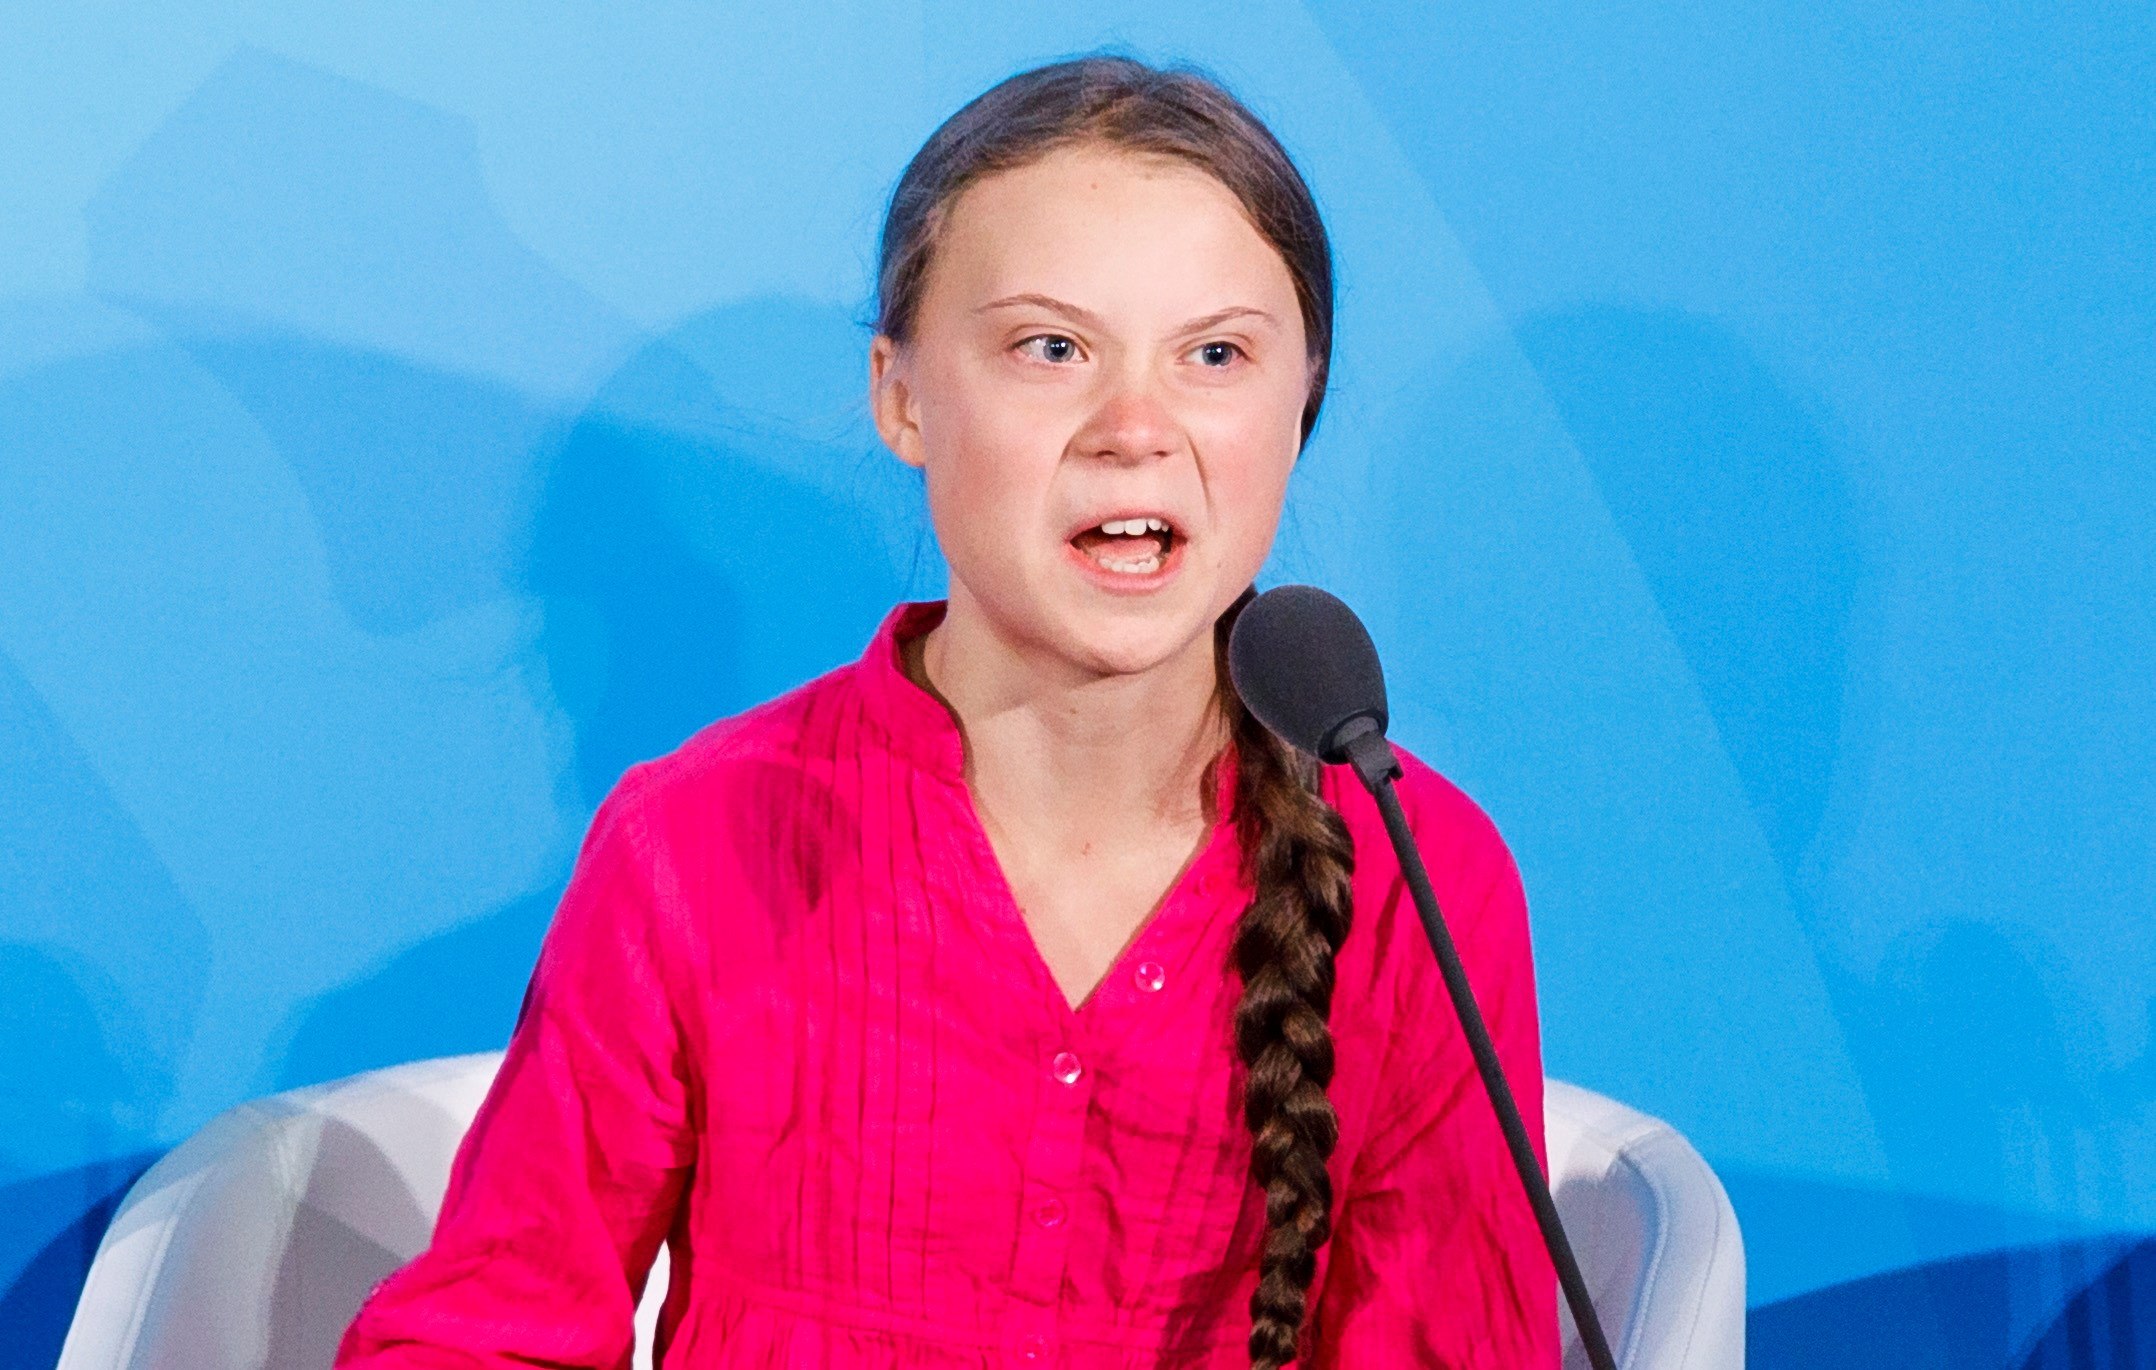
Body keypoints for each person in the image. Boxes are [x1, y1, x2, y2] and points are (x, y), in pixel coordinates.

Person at [336, 55, 1556, 1369]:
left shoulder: (1422, 875)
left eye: (1214, 355)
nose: (1135, 427)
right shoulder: (694, 837)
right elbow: (485, 1333)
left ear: (1300, 398)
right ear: (902, 396)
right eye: (1051, 348)